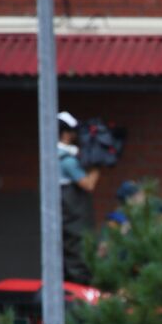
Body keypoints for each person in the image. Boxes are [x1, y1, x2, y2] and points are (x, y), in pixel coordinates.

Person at [58, 111, 102, 285]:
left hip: (67, 214)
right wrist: (98, 165)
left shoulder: (54, 155)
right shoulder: (66, 160)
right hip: (72, 214)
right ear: (66, 133)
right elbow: (88, 184)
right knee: (78, 251)